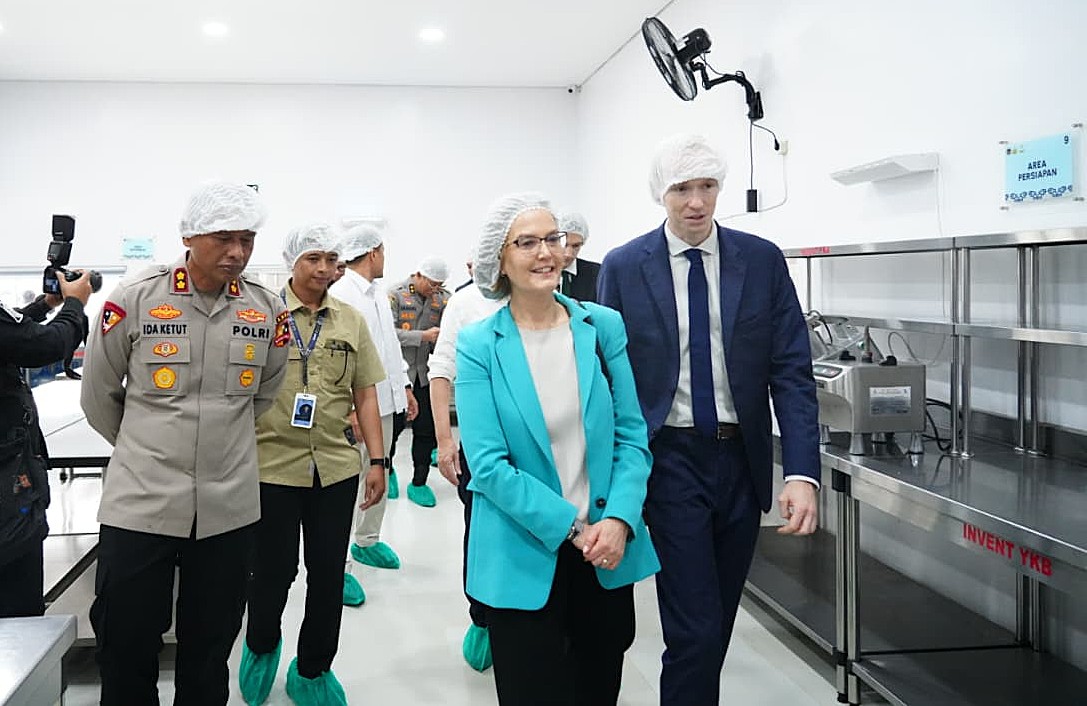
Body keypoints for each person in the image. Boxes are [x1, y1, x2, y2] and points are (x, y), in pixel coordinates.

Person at [597, 133, 820, 705]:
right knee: (694, 625)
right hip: (670, 459)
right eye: (682, 189)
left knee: (716, 620)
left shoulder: (761, 261)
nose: (696, 202)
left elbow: (791, 371)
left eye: (707, 186)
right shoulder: (625, 267)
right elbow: (606, 377)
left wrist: (801, 472)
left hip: (741, 460)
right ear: (661, 193)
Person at [80, 181, 290, 705]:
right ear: (190, 236)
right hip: (141, 503)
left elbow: (264, 395)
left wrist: (217, 447)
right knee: (125, 645)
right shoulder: (134, 299)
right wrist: (146, 448)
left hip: (227, 508)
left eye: (247, 239)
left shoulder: (268, 310)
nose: (237, 252)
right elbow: (98, 395)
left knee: (209, 651)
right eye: (224, 238)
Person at [455, 192, 660, 705]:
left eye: (553, 238)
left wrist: (620, 520)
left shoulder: (601, 328)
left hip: (606, 550)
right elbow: (488, 466)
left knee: (597, 688)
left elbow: (632, 436)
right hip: (523, 551)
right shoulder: (479, 345)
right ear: (499, 260)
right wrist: (574, 528)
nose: (547, 252)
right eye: (527, 243)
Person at [240, 225, 386, 706]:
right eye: (313, 259)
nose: (324, 269)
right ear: (292, 261)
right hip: (272, 466)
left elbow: (366, 393)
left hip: (335, 467)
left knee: (327, 575)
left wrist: (378, 460)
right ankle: (261, 644)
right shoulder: (261, 314)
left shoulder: (349, 320)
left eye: (331, 259)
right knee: (272, 572)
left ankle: (313, 668)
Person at [329, 224, 418, 602]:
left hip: (386, 402)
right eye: (383, 252)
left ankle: (366, 540)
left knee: (379, 473)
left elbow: (389, 348)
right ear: (373, 252)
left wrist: (406, 387)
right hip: (359, 407)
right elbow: (338, 357)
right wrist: (350, 408)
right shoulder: (342, 294)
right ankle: (337, 568)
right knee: (350, 486)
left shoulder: (378, 293)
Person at [430, 247, 508, 671]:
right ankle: (482, 616)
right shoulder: (464, 303)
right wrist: (445, 441)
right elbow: (441, 369)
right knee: (481, 529)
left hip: (539, 445)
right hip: (482, 445)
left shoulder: (549, 299)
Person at [0, 275, 92, 617]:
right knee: (18, 610)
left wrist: (45, 305)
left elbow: (11, 334)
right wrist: (75, 304)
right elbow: (46, 346)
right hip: (6, 491)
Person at [387, 257, 451, 507]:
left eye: (439, 285)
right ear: (419, 275)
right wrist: (421, 336)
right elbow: (388, 334)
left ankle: (419, 482)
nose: (435, 289)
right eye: (432, 284)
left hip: (424, 376)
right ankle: (387, 471)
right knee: (392, 430)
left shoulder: (443, 299)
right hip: (397, 376)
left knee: (425, 431)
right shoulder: (395, 295)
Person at [555, 212, 600, 302]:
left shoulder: (597, 274)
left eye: (576, 246)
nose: (568, 254)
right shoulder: (538, 273)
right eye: (564, 244)